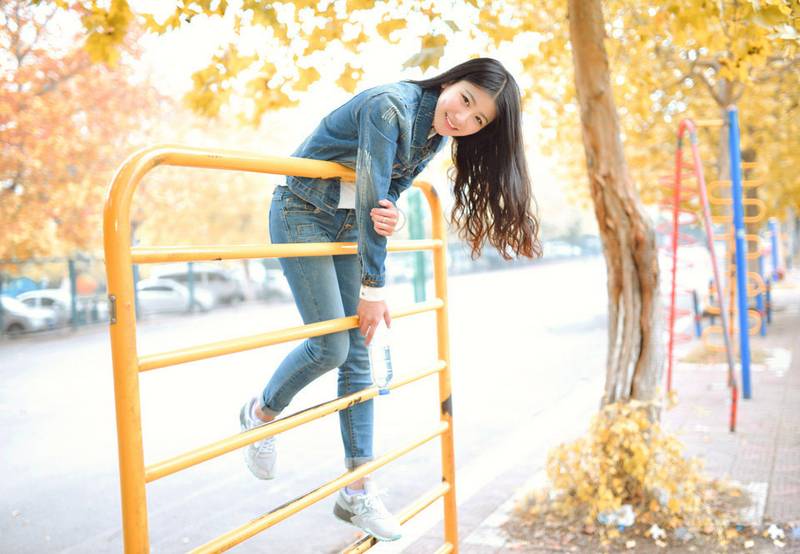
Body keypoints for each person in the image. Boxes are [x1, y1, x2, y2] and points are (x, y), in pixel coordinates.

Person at [239, 57, 542, 541]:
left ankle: (356, 493)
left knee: (356, 353)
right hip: (302, 212)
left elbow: (387, 192)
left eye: (478, 119)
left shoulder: (437, 132)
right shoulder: (389, 108)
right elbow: (370, 193)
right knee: (331, 347)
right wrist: (374, 289)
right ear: (449, 81)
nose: (463, 119)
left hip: (342, 223)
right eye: (465, 100)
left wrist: (392, 213)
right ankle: (259, 414)